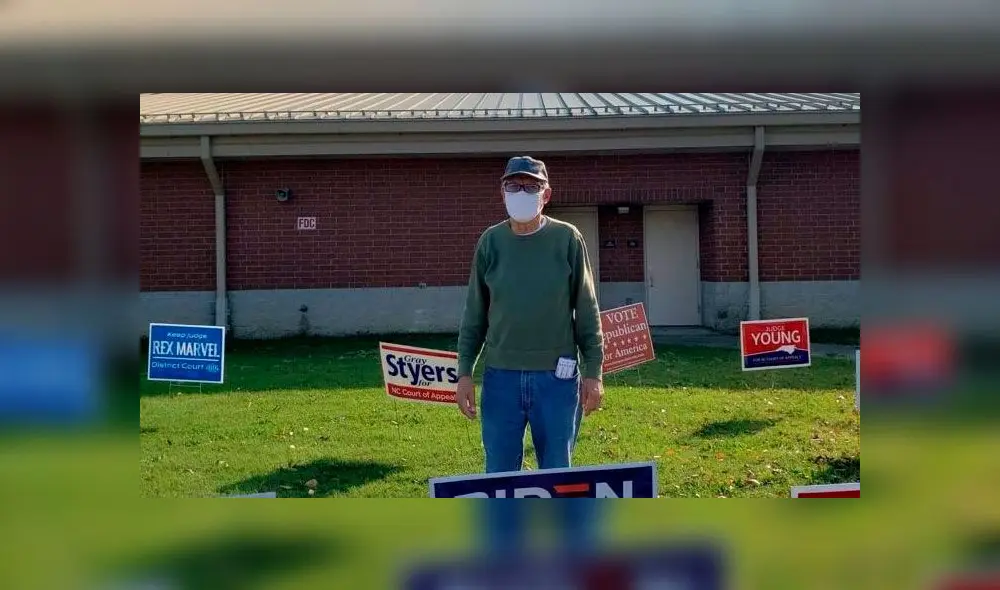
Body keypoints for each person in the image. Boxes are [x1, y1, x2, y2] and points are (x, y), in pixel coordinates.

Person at [456, 155, 605, 474]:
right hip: (501, 379)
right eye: (514, 185)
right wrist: (465, 372)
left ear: (546, 194)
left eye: (531, 186)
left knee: (555, 472)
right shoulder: (490, 243)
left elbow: (587, 308)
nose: (521, 192)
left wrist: (593, 372)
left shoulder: (567, 239)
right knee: (500, 474)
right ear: (502, 193)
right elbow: (474, 315)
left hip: (557, 381)